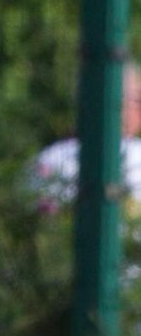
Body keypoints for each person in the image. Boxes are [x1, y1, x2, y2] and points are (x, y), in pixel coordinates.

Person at [30, 65, 141, 273]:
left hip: (58, 291)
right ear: (118, 104)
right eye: (138, 99)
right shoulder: (136, 156)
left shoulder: (49, 160)